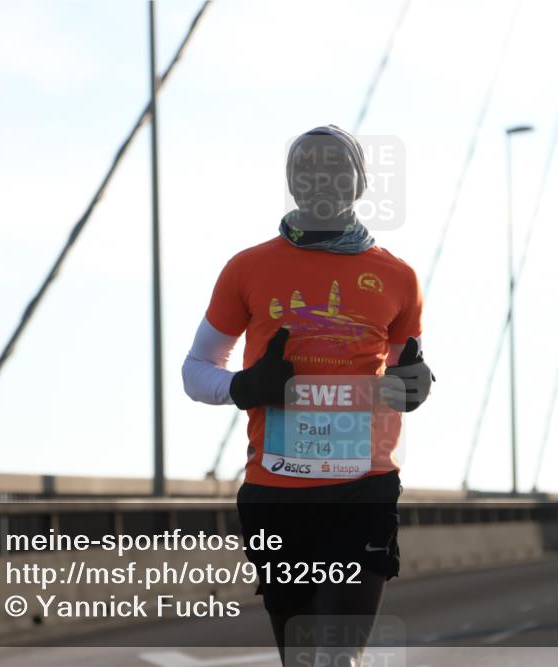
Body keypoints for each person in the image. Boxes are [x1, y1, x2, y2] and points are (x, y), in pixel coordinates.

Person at [182, 125, 434, 666]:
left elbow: (403, 370)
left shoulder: (398, 277)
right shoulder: (247, 267)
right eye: (307, 170)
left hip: (362, 489)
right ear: (291, 183)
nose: (321, 180)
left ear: (360, 182)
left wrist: (416, 385)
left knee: (338, 659)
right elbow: (196, 369)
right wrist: (243, 387)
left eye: (336, 169)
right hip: (277, 492)